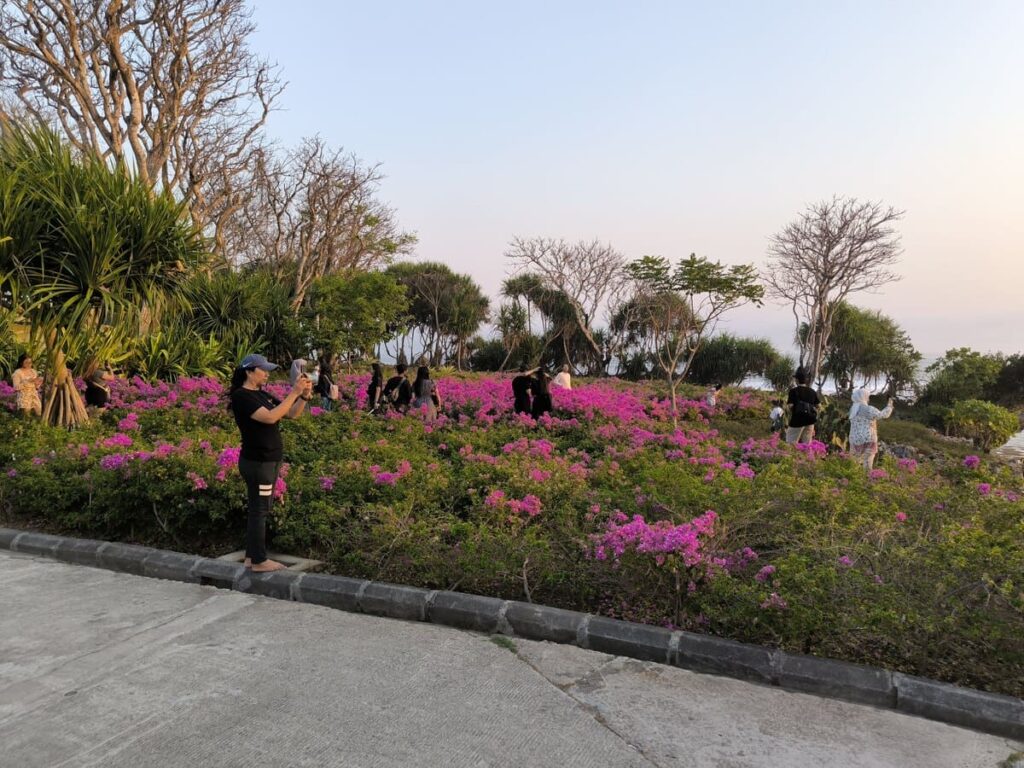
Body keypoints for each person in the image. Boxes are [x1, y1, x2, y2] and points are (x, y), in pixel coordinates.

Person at [229, 354, 313, 572]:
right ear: (249, 371)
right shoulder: (242, 396)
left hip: (268, 461)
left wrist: (303, 396)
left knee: (259, 508)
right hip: (259, 463)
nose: (267, 373)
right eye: (263, 369)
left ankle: (251, 557)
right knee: (260, 510)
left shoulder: (261, 394)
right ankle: (259, 561)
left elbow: (291, 414)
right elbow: (270, 417)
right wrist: (293, 392)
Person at [848, 389, 894, 471]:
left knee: (854, 463)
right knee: (867, 463)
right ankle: (867, 480)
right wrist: (890, 405)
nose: (868, 398)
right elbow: (883, 415)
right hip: (868, 438)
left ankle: (852, 479)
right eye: (867, 396)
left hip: (854, 439)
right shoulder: (868, 409)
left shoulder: (853, 409)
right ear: (864, 397)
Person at [786, 368, 820, 444]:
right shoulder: (812, 392)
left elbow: (790, 406)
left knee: (790, 443)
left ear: (797, 380)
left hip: (796, 420)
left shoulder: (793, 391)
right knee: (806, 445)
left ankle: (792, 456)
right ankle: (806, 456)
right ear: (806, 380)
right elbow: (818, 406)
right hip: (810, 421)